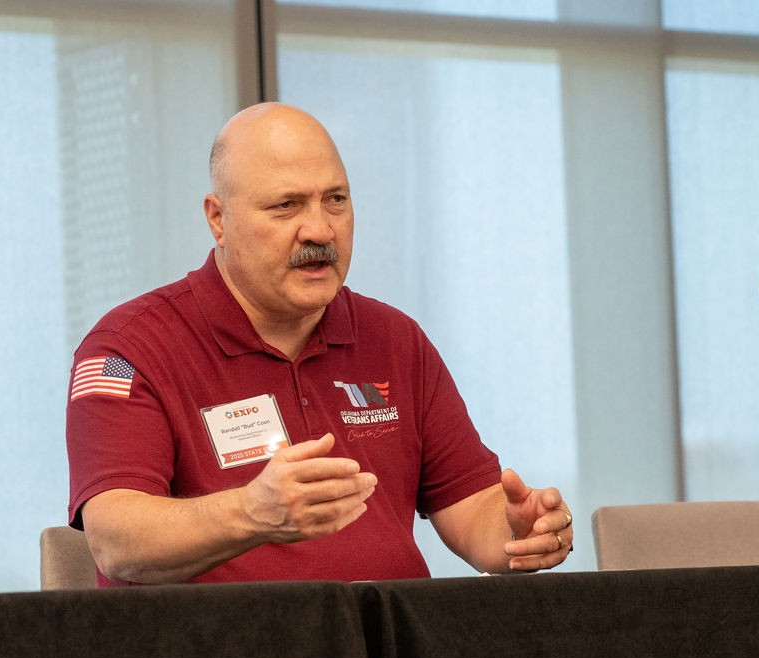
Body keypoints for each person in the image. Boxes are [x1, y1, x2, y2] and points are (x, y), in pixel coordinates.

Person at [66, 102, 573, 587]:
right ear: (219, 219)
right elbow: (116, 540)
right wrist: (250, 513)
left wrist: (519, 533)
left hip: (387, 649)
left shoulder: (396, 339)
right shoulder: (126, 349)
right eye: (285, 205)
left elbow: (471, 508)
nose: (320, 229)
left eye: (336, 199)